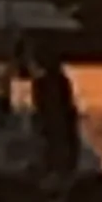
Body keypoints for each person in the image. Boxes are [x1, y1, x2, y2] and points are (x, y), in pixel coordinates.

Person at [31, 51, 81, 180]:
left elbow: (52, 105)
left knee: (58, 147)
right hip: (58, 123)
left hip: (57, 123)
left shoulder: (47, 83)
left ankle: (57, 173)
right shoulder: (50, 82)